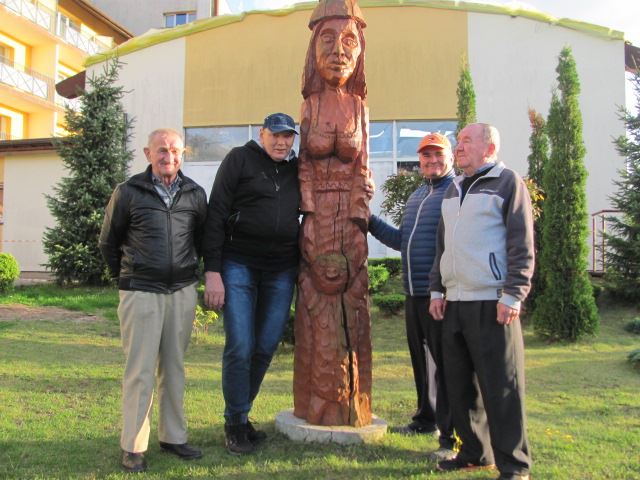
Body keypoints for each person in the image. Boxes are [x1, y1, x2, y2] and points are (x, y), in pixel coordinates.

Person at [429, 123, 534, 480]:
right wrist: (437, 290)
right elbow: (443, 246)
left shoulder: (508, 183)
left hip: (492, 303)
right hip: (454, 303)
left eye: (466, 141)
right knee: (461, 387)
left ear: (489, 148)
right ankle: (475, 453)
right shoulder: (453, 188)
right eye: (458, 141)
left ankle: (515, 466)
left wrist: (513, 293)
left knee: (501, 387)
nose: (458, 147)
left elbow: (521, 244)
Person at [99, 128, 207, 473]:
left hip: (182, 291)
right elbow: (108, 242)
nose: (168, 157)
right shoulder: (128, 192)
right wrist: (127, 280)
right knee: (140, 371)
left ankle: (173, 437)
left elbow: (202, 241)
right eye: (161, 150)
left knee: (174, 367)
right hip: (141, 291)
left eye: (175, 150)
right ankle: (133, 446)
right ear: (148, 153)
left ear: (183, 154)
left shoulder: (195, 193)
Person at [293, 0, 373, 427]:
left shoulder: (359, 107)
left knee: (352, 298)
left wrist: (359, 219)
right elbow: (303, 165)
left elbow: (364, 168)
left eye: (349, 41)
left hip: (348, 218)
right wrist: (308, 215)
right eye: (327, 39)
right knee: (317, 297)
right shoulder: (309, 105)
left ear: (361, 51)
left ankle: (353, 398)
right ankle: (317, 397)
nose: (339, 51)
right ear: (312, 50)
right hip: (318, 214)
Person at [202, 113, 301, 455]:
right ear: (262, 134)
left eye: (287, 136)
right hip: (239, 264)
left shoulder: (298, 168)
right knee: (241, 345)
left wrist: (366, 184)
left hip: (281, 269)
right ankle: (235, 423)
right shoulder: (239, 159)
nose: (281, 142)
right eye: (275, 135)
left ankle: (241, 415)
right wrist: (212, 270)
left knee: (266, 345)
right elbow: (216, 213)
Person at [368, 132, 456, 459]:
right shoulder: (418, 195)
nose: (432, 161)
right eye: (426, 156)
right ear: (419, 160)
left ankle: (450, 431)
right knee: (422, 361)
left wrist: (440, 290)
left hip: (440, 295)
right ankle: (425, 420)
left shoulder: (455, 192)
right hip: (413, 293)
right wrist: (369, 220)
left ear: (450, 157)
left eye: (438, 155)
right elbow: (402, 241)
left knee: (445, 365)